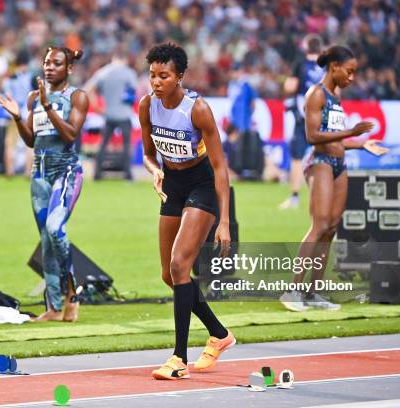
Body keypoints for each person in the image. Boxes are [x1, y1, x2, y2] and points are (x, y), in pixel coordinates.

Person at [139, 43, 235, 380]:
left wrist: (224, 221)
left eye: (163, 75)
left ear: (180, 76)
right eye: (152, 75)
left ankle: (178, 358)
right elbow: (148, 153)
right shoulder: (147, 106)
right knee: (170, 274)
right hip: (172, 184)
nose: (156, 82)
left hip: (202, 184)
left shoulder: (198, 110)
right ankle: (220, 335)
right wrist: (155, 170)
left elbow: (221, 167)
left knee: (181, 265)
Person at [279, 45, 388, 312]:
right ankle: (292, 291)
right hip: (320, 163)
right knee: (319, 225)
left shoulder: (335, 98)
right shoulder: (316, 94)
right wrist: (350, 131)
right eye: (349, 72)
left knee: (331, 229)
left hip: (339, 163)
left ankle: (313, 292)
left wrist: (361, 144)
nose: (352, 78)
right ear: (334, 67)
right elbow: (313, 136)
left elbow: (336, 138)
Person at [0, 47, 89, 322]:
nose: (49, 68)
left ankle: (73, 293)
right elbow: (30, 141)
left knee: (55, 229)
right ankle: (54, 306)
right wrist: (16, 116)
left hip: (67, 170)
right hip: (40, 173)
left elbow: (71, 134)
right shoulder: (32, 98)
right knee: (46, 242)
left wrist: (48, 106)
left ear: (69, 69)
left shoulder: (77, 97)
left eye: (56, 63)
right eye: (47, 63)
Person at [279, 35, 325, 209]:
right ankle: (323, 196)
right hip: (321, 117)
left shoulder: (300, 64)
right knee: (322, 157)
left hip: (303, 118)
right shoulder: (325, 66)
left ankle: (295, 197)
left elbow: (290, 87)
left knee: (297, 158)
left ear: (307, 48)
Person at [84, 49, 138, 181]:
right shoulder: (129, 73)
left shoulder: (103, 72)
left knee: (103, 144)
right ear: (124, 59)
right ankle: (128, 175)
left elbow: (87, 90)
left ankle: (97, 174)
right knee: (126, 144)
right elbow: (131, 95)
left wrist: (97, 107)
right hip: (124, 114)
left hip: (108, 114)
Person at [2, 50, 34, 178]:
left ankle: (10, 171)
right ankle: (27, 172)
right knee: (29, 144)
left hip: (13, 113)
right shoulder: (32, 78)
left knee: (10, 143)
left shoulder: (10, 78)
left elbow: (6, 95)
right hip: (27, 113)